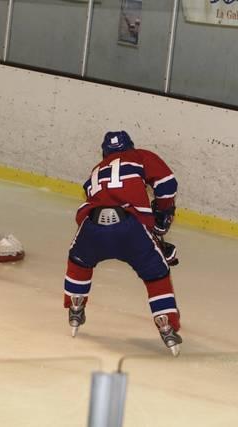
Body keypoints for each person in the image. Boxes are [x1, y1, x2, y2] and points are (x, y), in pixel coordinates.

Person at [62, 130, 182, 356]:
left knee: (78, 261)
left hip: (92, 226)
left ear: (104, 153)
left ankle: (76, 305)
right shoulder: (139, 156)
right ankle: (165, 322)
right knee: (156, 273)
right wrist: (162, 214)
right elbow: (167, 183)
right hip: (130, 228)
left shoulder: (95, 172)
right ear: (130, 147)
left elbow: (92, 203)